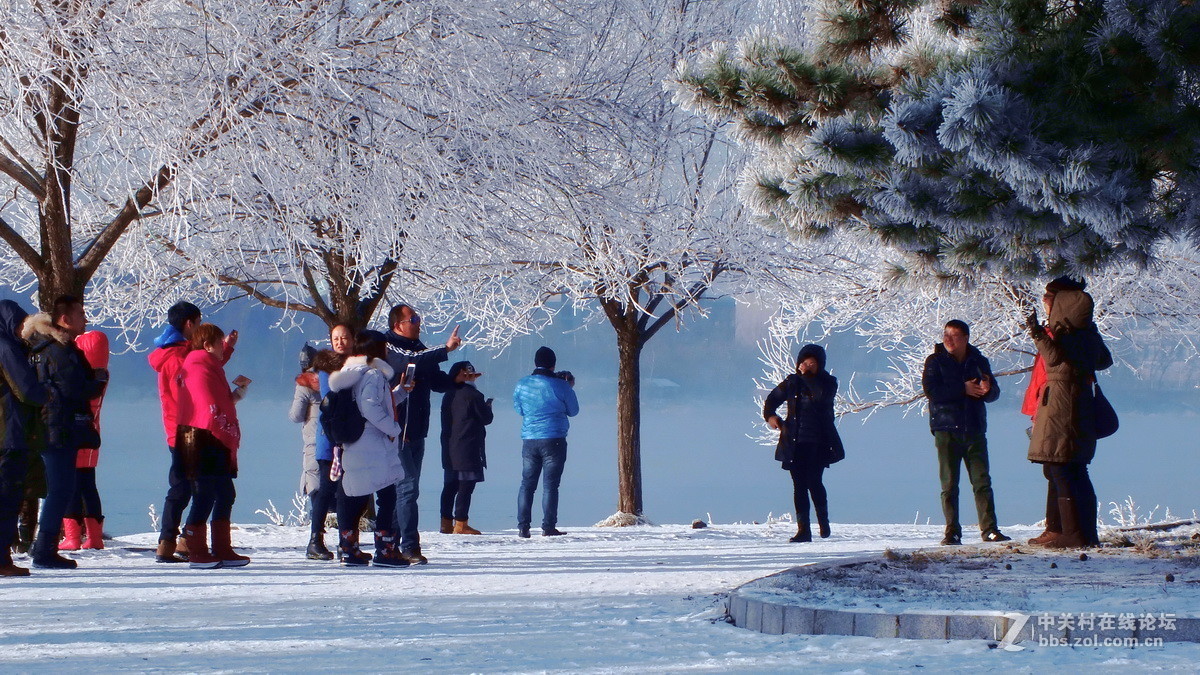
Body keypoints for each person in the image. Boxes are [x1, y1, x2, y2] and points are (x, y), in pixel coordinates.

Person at [1025, 284, 1113, 548]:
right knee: (1072, 469)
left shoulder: (1068, 336)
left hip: (1063, 408)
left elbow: (1053, 358)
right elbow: (1104, 360)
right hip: (1073, 406)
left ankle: (1072, 533)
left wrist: (1037, 333)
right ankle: (1082, 532)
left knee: (1062, 468)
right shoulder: (1085, 334)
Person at [148, 301, 236, 563]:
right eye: (198, 323)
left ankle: (178, 541)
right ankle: (172, 541)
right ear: (190, 323)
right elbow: (192, 389)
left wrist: (226, 348)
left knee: (189, 485)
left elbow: (207, 364)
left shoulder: (179, 352)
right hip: (185, 429)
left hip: (182, 427)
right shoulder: (176, 358)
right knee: (186, 486)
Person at [23, 298, 108, 569]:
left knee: (59, 487)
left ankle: (44, 545)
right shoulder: (60, 351)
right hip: (59, 426)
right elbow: (74, 388)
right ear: (65, 319)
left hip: (48, 424)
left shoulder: (39, 347)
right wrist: (98, 380)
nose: (85, 319)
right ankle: (44, 549)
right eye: (80, 314)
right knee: (61, 488)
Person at [382, 304, 461, 565]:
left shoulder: (419, 348)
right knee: (407, 488)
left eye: (418, 318)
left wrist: (457, 379)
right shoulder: (389, 345)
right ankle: (408, 546)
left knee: (405, 490)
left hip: (417, 430)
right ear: (398, 325)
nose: (418, 322)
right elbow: (408, 362)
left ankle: (390, 543)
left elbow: (435, 380)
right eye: (413, 319)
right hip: (396, 430)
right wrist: (445, 349)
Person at [921, 319, 1010, 545]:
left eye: (955, 335)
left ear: (966, 338)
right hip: (946, 429)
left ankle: (990, 529)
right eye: (946, 334)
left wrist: (988, 390)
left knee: (982, 481)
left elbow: (993, 394)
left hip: (974, 429)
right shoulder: (935, 361)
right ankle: (952, 531)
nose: (949, 339)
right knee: (949, 484)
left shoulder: (978, 361)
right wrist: (963, 388)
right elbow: (932, 391)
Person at [328, 330, 409, 567]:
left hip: (356, 443)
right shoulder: (373, 375)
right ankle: (386, 550)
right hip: (373, 444)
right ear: (377, 349)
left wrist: (401, 392)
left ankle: (349, 549)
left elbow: (376, 404)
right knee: (386, 495)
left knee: (356, 497)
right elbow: (371, 407)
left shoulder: (352, 374)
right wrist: (393, 429)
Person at [176, 323, 250, 569]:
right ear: (208, 346)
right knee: (205, 494)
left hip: (208, 436)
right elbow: (207, 406)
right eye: (219, 344)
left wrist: (236, 397)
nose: (222, 350)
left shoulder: (208, 365)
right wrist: (225, 427)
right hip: (200, 437)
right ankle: (196, 549)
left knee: (224, 493)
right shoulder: (198, 367)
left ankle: (221, 547)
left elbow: (217, 400)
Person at [1022, 277, 1085, 545]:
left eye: (1050, 297)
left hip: (1056, 408)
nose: (1045, 301)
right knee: (1054, 467)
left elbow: (1054, 365)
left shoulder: (1062, 336)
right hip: (1047, 407)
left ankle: (1064, 530)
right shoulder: (1056, 333)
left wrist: (1037, 332)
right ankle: (1060, 529)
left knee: (1059, 467)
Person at [763, 344, 844, 542]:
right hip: (794, 441)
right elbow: (772, 399)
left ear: (820, 365)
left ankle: (823, 522)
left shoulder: (828, 383)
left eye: (812, 363)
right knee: (798, 485)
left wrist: (806, 376)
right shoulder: (792, 382)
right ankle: (803, 530)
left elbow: (819, 398)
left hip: (818, 441)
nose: (807, 366)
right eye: (804, 363)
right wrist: (771, 417)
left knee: (814, 481)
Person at [0, 300, 47, 577]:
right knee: (7, 496)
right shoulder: (6, 348)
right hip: (10, 432)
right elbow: (26, 390)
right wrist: (47, 393)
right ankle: (2, 557)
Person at [513, 346, 579, 538]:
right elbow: (573, 411)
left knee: (527, 484)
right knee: (550, 486)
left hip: (529, 439)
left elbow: (519, 409)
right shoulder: (561, 385)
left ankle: (523, 527)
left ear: (535, 363)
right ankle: (548, 527)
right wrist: (568, 388)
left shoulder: (522, 384)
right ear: (553, 364)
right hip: (554, 439)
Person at [59, 330, 110, 551]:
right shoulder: (102, 376)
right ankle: (95, 537)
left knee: (71, 486)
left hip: (74, 435)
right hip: (92, 435)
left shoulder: (78, 377)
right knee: (89, 485)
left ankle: (72, 536)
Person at [440, 361, 493, 535]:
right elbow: (486, 418)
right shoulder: (473, 395)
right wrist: (488, 407)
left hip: (449, 446)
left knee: (450, 486)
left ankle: (445, 522)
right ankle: (461, 523)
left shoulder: (448, 394)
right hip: (468, 447)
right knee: (466, 486)